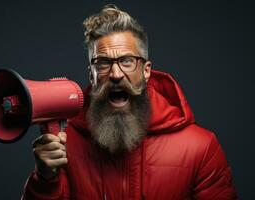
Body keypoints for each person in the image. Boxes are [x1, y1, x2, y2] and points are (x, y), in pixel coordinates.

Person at [22, 4, 238, 200]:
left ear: (146, 71)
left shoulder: (200, 148)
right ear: (91, 75)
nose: (115, 74)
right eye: (103, 63)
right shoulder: (64, 145)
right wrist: (45, 180)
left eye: (127, 61)